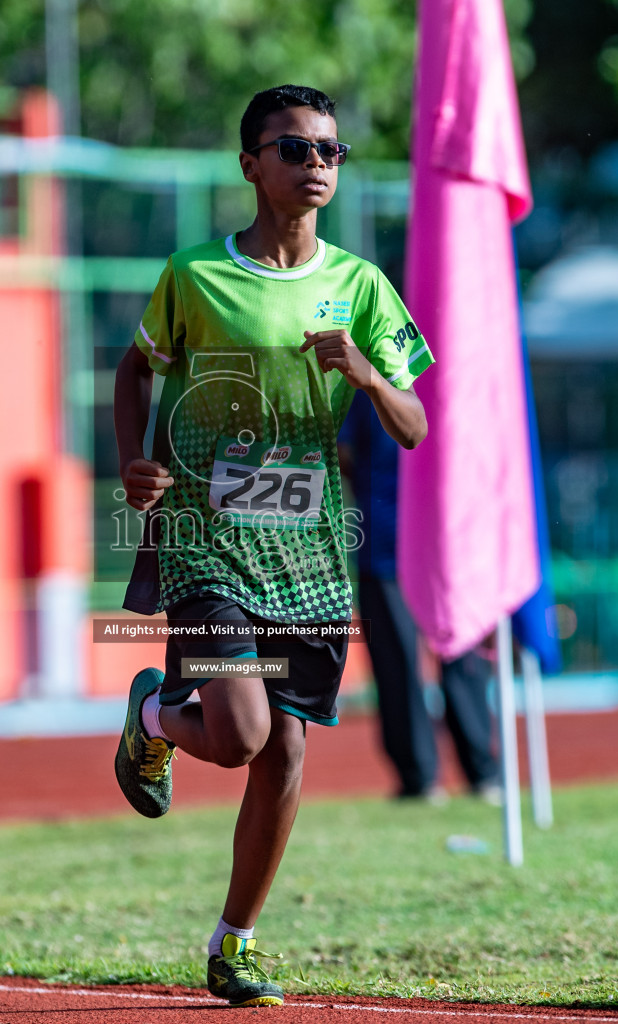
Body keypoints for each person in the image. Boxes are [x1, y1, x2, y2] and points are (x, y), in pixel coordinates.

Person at [112, 84, 432, 1008]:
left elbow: (413, 426)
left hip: (308, 555)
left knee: (287, 755)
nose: (316, 165)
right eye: (294, 149)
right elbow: (135, 369)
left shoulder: (363, 286)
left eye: (330, 151)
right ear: (251, 164)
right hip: (205, 543)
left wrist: (369, 374)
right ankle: (157, 720)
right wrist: (134, 461)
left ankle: (235, 944)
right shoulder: (196, 276)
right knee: (243, 733)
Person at [340, 398, 501, 804]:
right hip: (392, 542)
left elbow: (345, 454)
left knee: (439, 658)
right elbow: (343, 451)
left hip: (440, 544)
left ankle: (462, 774)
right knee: (412, 663)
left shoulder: (383, 373)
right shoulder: (369, 376)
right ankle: (433, 777)